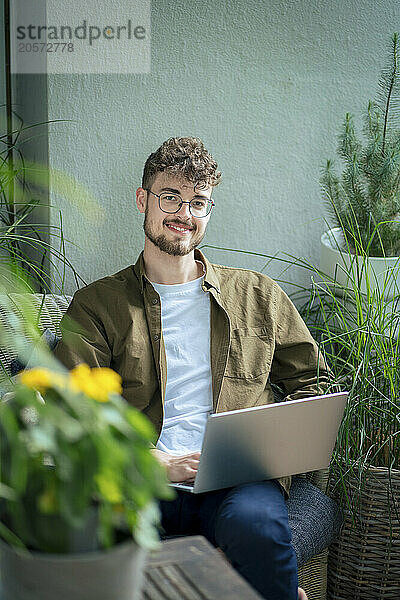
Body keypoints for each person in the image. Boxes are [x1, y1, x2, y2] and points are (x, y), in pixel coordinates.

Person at [54, 136, 330, 600]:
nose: (185, 212)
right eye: (171, 197)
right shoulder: (97, 305)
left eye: (198, 202)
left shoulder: (257, 294)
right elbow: (75, 409)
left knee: (258, 531)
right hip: (139, 480)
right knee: (99, 545)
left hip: (236, 480)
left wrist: (268, 445)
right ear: (143, 199)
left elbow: (315, 384)